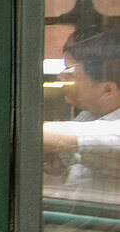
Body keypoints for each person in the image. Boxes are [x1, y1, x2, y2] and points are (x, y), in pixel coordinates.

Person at [43, 27, 120, 202]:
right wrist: (58, 170)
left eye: (70, 73)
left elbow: (38, 135)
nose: (60, 78)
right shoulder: (89, 114)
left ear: (107, 89)